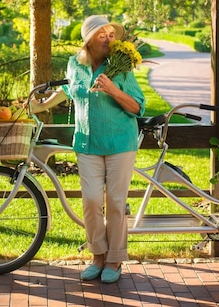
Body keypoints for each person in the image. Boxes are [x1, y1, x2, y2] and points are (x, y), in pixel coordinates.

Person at [32, 15, 145, 284]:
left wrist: (112, 89)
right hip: (86, 142)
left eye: (111, 34)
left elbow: (137, 107)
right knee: (92, 200)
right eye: (102, 35)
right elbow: (71, 92)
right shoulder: (75, 64)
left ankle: (115, 259)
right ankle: (98, 255)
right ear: (88, 41)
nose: (109, 38)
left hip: (120, 143)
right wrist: (39, 105)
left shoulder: (122, 66)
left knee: (115, 203)